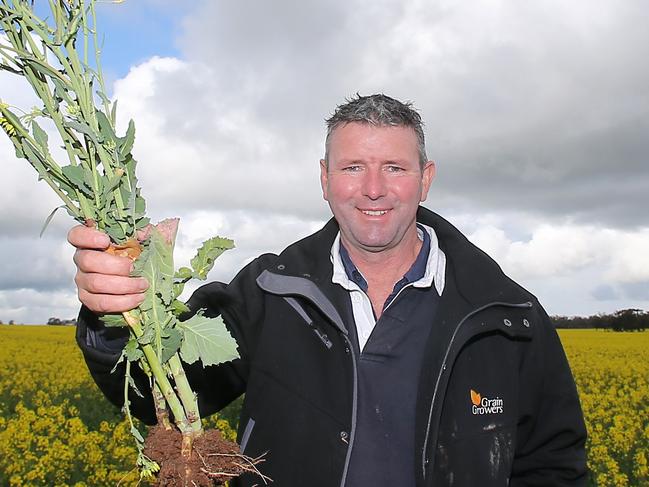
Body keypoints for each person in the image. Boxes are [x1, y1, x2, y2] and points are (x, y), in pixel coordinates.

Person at [69, 94, 587, 487]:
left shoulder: (508, 315)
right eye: (353, 167)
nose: (374, 189)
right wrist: (117, 312)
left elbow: (554, 462)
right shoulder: (269, 291)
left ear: (425, 179)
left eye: (395, 168)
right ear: (324, 179)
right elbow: (157, 391)